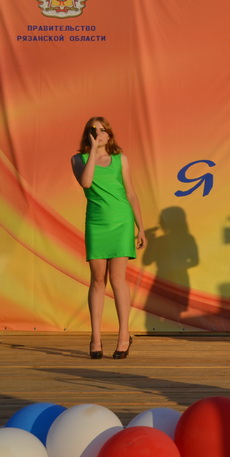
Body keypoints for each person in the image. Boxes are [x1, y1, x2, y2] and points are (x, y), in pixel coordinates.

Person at [71, 117, 146, 359]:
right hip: (96, 223)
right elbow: (86, 182)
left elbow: (131, 194)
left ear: (110, 134)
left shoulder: (120, 159)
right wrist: (93, 150)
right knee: (97, 280)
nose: (99, 134)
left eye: (103, 130)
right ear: (88, 134)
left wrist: (140, 228)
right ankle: (95, 338)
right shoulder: (78, 160)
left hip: (122, 221)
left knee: (117, 279)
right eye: (94, 131)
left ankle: (124, 336)